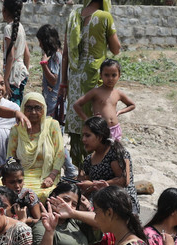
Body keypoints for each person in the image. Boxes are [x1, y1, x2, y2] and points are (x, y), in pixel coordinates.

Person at [60, 0, 119, 166]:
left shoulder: (72, 16)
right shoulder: (104, 17)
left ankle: (80, 167)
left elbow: (65, 53)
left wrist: (63, 83)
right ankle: (98, 165)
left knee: (78, 123)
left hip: (75, 77)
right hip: (94, 76)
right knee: (97, 122)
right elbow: (116, 49)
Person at [6, 92, 65, 200]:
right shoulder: (16, 130)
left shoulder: (52, 125)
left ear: (44, 109)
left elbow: (60, 153)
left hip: (45, 175)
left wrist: (51, 176)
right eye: (28, 108)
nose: (33, 112)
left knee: (43, 194)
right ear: (23, 109)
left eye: (37, 108)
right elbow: (11, 157)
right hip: (20, 177)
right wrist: (13, 175)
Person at [71, 59, 135, 141]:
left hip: (115, 129)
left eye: (114, 75)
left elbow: (132, 105)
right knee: (102, 151)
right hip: (101, 130)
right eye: (106, 75)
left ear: (119, 75)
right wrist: (87, 120)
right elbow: (77, 105)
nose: (110, 78)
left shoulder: (118, 93)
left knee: (114, 152)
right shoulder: (96, 92)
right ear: (101, 75)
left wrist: (119, 112)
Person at [35, 25, 61, 116]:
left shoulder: (55, 57)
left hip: (53, 103)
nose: (40, 45)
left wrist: (44, 65)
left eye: (40, 42)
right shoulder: (59, 54)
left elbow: (53, 80)